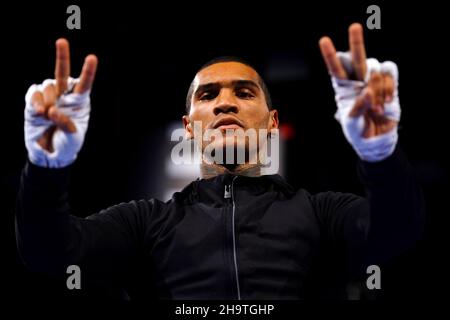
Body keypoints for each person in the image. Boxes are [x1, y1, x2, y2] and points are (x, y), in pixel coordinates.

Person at [15, 23, 424, 300]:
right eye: (208, 95)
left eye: (245, 93)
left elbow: (396, 233)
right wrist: (46, 169)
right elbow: (50, 252)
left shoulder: (320, 212)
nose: (225, 103)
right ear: (189, 127)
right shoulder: (145, 222)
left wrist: (380, 153)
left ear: (272, 123)